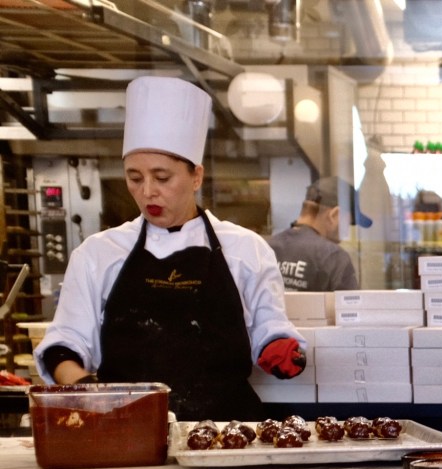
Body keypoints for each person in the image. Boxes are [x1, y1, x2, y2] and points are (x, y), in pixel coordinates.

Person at [34, 76, 306, 421]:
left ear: (196, 177)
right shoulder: (98, 254)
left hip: (228, 432)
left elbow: (269, 327)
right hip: (129, 428)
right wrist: (88, 391)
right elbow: (65, 344)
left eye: (162, 178)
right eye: (134, 178)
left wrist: (280, 348)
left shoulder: (245, 249)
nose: (147, 191)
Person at [267, 176, 359, 291]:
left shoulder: (268, 248)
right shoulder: (334, 257)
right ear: (334, 215)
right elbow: (350, 302)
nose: (345, 234)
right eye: (348, 223)